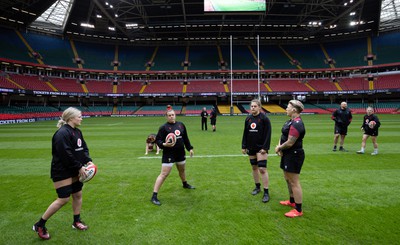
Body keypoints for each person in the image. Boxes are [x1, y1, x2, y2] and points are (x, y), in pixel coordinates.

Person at [33, 107, 94, 240]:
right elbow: (65, 154)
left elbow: (83, 149)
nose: (81, 118)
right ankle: (39, 224)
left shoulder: (77, 132)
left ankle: (76, 221)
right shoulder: (61, 133)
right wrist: (79, 166)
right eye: (79, 116)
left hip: (75, 169)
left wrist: (88, 161)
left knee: (77, 195)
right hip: (62, 170)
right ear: (71, 118)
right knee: (63, 199)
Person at [151, 105, 195, 206]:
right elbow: (158, 140)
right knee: (164, 174)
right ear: (166, 117)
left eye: (173, 115)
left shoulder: (181, 125)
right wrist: (164, 144)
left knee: (182, 170)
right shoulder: (163, 128)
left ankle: (185, 184)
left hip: (180, 153)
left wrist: (190, 149)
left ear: (175, 115)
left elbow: (186, 138)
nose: (171, 116)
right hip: (169, 154)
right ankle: (154, 196)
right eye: (169, 115)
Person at [275, 100, 306, 218]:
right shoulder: (289, 122)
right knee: (287, 179)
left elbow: (290, 142)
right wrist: (280, 147)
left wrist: (279, 148)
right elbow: (283, 136)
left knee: (294, 181)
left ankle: (298, 209)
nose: (286, 109)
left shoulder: (297, 123)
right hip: (287, 154)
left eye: (288, 107)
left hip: (294, 154)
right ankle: (292, 201)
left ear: (294, 109)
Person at [241, 99, 272, 203]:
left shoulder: (264, 119)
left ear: (259, 107)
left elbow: (268, 134)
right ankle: (257, 187)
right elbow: (245, 133)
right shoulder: (248, 119)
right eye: (251, 106)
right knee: (254, 167)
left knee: (262, 169)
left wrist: (265, 147)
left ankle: (266, 192)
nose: (253, 108)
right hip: (251, 147)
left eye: (255, 106)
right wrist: (244, 146)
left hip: (261, 148)